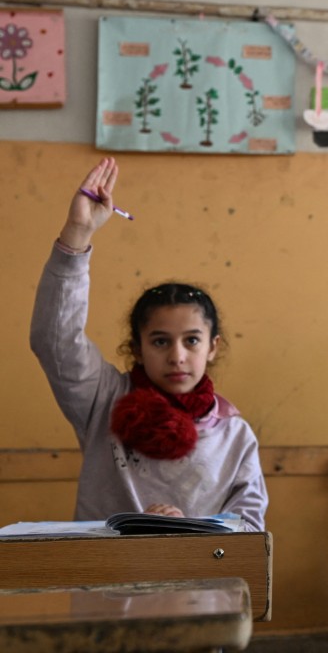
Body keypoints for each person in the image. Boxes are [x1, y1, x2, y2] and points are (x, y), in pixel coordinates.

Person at [30, 157, 267, 531]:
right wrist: (77, 234)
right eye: (160, 341)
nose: (177, 356)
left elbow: (249, 529)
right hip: (108, 584)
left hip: (200, 588)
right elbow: (54, 339)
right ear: (137, 348)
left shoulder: (233, 434)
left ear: (213, 347)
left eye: (192, 341)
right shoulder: (104, 400)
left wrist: (185, 529)